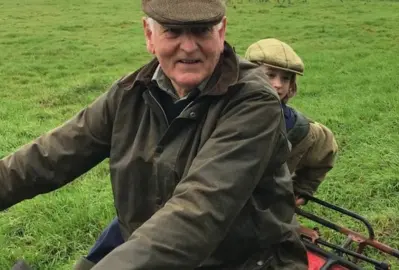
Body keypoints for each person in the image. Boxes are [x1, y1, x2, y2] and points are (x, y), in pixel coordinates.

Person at [0, 1, 308, 269]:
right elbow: (47, 156)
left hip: (243, 262)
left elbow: (198, 211)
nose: (188, 47)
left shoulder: (254, 102)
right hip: (148, 251)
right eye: (172, 31)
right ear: (150, 35)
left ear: (221, 31)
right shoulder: (129, 94)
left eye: (201, 30)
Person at [245, 38, 338, 205]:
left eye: (286, 78)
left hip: (264, 214)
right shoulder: (223, 112)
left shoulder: (296, 127)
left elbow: (326, 147)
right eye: (270, 75)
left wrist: (303, 187)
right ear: (247, 73)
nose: (278, 84)